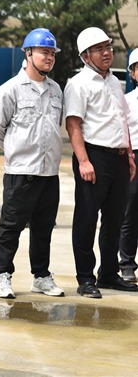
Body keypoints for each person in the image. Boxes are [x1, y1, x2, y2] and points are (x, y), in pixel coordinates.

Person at [0, 28, 65, 299]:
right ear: (28, 53)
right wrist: (15, 151)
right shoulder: (10, 89)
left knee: (44, 228)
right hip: (21, 173)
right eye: (44, 52)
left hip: (49, 172)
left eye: (52, 53)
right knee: (10, 227)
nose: (50, 57)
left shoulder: (56, 90)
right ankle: (2, 276)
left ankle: (41, 276)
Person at [64, 27, 138, 299]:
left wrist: (128, 155)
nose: (106, 53)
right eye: (99, 49)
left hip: (118, 158)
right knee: (86, 217)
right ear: (85, 56)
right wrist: (83, 161)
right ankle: (85, 277)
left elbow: (122, 120)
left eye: (108, 47)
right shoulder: (78, 84)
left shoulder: (114, 82)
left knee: (115, 218)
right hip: (94, 156)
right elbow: (73, 124)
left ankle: (108, 273)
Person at [119, 49, 138, 283]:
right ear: (132, 73)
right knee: (130, 212)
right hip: (134, 157)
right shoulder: (127, 101)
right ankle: (126, 263)